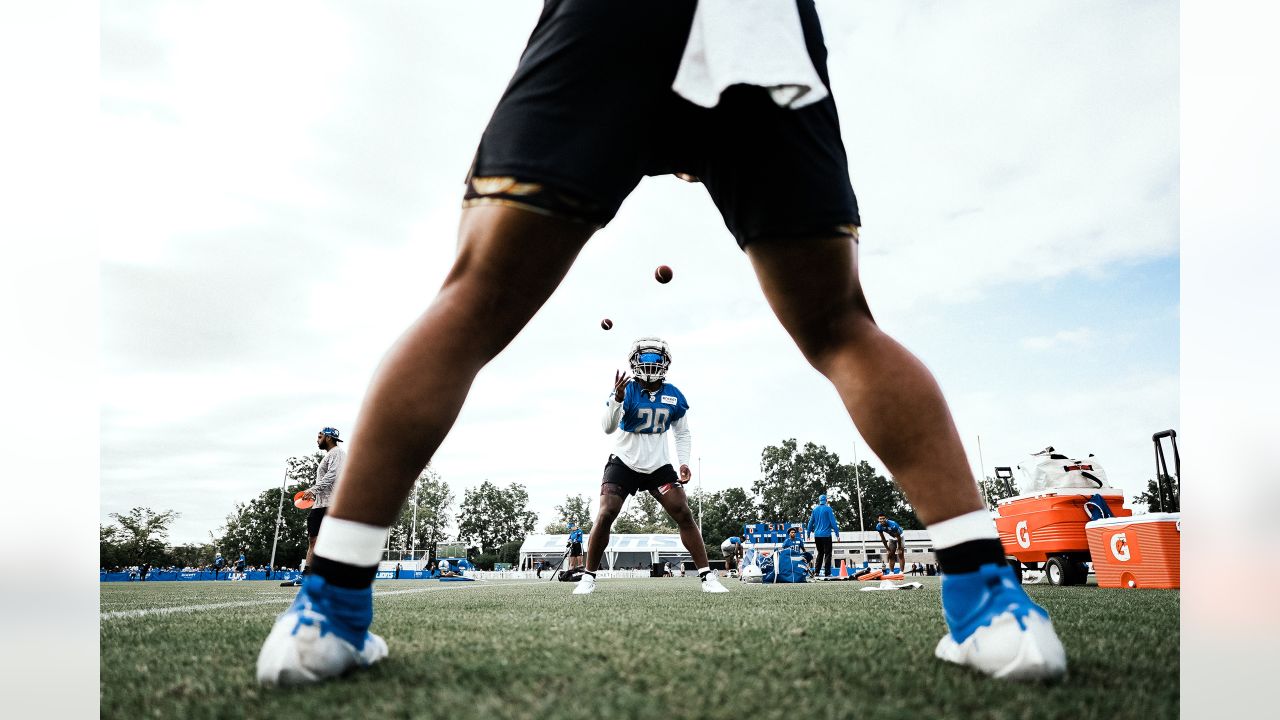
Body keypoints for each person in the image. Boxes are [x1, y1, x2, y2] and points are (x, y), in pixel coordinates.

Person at [257, 1, 1066, 685]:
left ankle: (328, 608)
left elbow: (674, 428)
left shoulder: (672, 395)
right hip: (754, 18)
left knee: (473, 300)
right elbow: (613, 425)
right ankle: (990, 605)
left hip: (611, 17)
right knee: (841, 326)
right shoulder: (635, 390)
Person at [572, 338, 728, 596]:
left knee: (684, 513)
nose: (651, 365)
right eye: (646, 360)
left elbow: (682, 433)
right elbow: (607, 427)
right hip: (624, 460)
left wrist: (684, 461)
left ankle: (707, 577)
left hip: (657, 466)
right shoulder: (626, 390)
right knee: (606, 512)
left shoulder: (674, 395)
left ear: (665, 363)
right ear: (635, 362)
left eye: (656, 360)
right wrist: (617, 400)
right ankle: (588, 577)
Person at [294, 427, 347, 587]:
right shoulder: (330, 455)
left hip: (331, 504)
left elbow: (332, 476)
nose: (317, 440)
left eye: (320, 436)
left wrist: (312, 489)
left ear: (329, 438)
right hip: (320, 504)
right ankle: (308, 575)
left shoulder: (337, 453)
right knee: (313, 540)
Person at [805, 494, 841, 578]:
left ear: (819, 500)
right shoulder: (828, 509)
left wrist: (808, 533)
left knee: (820, 553)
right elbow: (833, 522)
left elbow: (810, 522)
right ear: (826, 500)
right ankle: (827, 573)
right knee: (828, 554)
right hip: (826, 535)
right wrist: (837, 534)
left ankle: (816, 572)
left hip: (817, 535)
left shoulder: (815, 509)